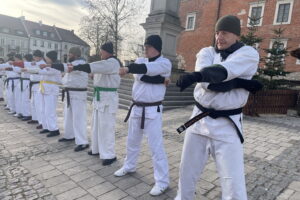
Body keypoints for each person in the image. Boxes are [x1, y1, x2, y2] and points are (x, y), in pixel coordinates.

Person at [174, 15, 259, 200]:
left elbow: (218, 74)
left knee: (233, 180)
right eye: (217, 32)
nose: (219, 37)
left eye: (225, 33)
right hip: (198, 119)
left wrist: (203, 77)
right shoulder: (206, 52)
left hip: (227, 125)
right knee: (187, 170)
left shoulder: (249, 54)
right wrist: (241, 83)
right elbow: (209, 82)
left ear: (237, 35)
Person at [115, 35, 171, 196]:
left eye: (148, 46)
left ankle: (162, 182)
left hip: (153, 110)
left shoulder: (165, 63)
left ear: (157, 48)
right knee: (132, 140)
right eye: (145, 45)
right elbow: (141, 75)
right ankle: (129, 166)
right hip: (136, 108)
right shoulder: (140, 61)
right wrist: (161, 80)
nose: (145, 48)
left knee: (156, 146)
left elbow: (149, 71)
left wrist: (128, 68)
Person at [68, 42, 121, 165]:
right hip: (99, 97)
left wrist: (76, 67)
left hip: (108, 98)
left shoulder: (112, 62)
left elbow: (96, 67)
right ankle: (96, 149)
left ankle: (109, 154)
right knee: (96, 125)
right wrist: (94, 76)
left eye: (101, 51)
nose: (100, 53)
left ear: (106, 51)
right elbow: (99, 72)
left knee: (106, 126)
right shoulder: (106, 63)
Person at [45, 47, 89, 152]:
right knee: (67, 116)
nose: (68, 56)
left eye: (70, 54)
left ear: (75, 54)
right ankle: (69, 135)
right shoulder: (73, 65)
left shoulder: (80, 64)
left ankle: (83, 142)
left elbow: (65, 67)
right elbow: (66, 77)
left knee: (79, 118)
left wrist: (51, 65)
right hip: (70, 92)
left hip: (78, 94)